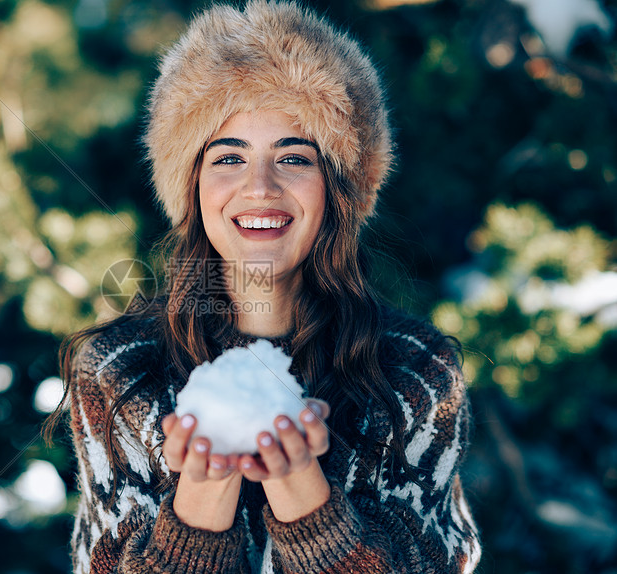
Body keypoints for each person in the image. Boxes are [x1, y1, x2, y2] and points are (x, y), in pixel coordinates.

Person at [47, 1, 481, 572]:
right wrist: (199, 508)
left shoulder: (417, 374)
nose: (260, 187)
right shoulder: (118, 372)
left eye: (294, 157)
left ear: (338, 191)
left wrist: (307, 501)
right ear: (192, 188)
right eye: (228, 157)